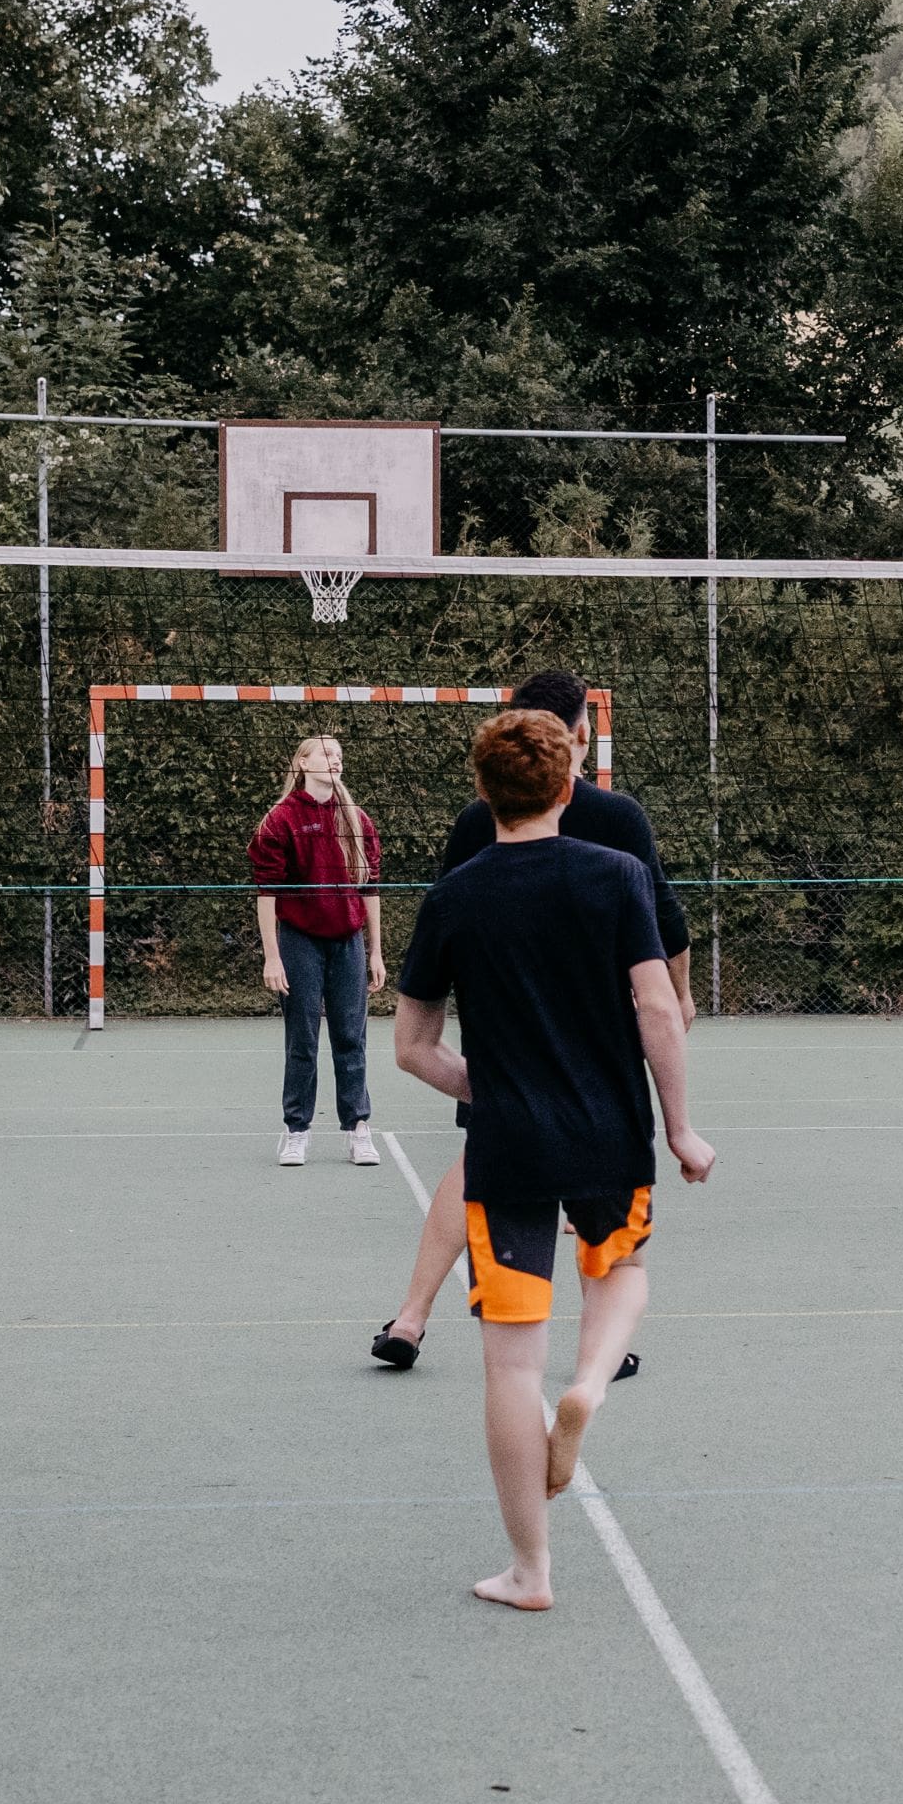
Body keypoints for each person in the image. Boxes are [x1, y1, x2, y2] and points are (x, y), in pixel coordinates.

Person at [390, 708, 714, 1610]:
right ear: (568, 785)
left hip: (508, 1143)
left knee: (507, 1366)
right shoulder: (616, 876)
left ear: (483, 792)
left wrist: (482, 1088)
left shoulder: (455, 895)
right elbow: (657, 1008)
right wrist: (681, 1126)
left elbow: (413, 1048)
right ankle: (592, 1384)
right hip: (609, 1129)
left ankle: (530, 1570)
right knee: (623, 1272)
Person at [371, 671, 688, 1370]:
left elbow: (447, 927)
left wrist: (479, 1074)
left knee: (485, 1160)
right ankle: (601, 1342)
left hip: (507, 1045)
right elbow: (668, 928)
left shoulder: (478, 822)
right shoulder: (618, 820)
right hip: (593, 1045)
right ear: (581, 735)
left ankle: (412, 1315)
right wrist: (678, 1003)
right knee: (596, 1163)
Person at [251, 733, 384, 1168]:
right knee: (303, 1039)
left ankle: (358, 1128)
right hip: (299, 941)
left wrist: (375, 951)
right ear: (303, 764)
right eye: (326, 754)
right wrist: (272, 955)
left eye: (340, 755)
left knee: (351, 1037)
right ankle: (296, 1131)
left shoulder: (356, 819)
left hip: (347, 941)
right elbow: (266, 893)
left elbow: (371, 889)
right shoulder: (280, 819)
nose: (335, 761)